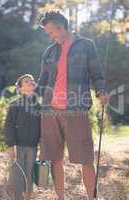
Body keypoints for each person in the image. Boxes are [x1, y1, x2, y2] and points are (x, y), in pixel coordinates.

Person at [38, 10, 108, 200]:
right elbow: (43, 81)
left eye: (52, 32)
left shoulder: (86, 46)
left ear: (62, 27)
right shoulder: (49, 51)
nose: (50, 37)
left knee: (85, 158)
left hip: (76, 110)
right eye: (48, 34)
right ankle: (60, 197)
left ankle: (92, 197)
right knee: (54, 158)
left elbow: (97, 74)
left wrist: (101, 91)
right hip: (50, 112)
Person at [4, 74, 41, 200]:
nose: (30, 82)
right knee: (17, 175)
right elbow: (8, 126)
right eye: (26, 81)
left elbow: (42, 127)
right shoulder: (15, 105)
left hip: (33, 146)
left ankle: (28, 197)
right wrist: (10, 145)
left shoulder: (38, 106)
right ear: (20, 89)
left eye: (32, 81)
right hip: (18, 146)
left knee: (29, 175)